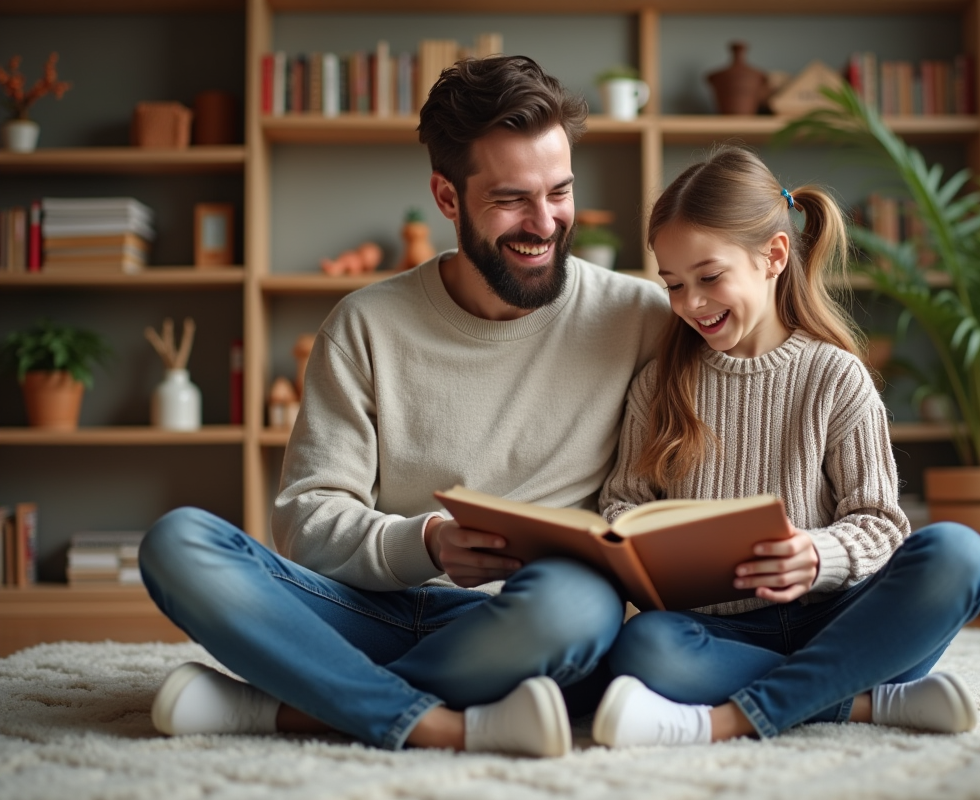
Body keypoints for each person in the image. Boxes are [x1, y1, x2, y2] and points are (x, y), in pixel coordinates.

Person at [137, 55, 669, 758]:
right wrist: (426, 542)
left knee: (577, 609)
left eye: (560, 192)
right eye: (512, 199)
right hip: (372, 608)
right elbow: (305, 522)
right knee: (178, 543)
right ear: (447, 199)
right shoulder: (365, 324)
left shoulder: (639, 315)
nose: (545, 223)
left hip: (532, 616)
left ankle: (294, 707)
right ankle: (443, 720)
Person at [588, 146, 980, 749]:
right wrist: (644, 542)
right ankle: (864, 702)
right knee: (644, 648)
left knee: (959, 554)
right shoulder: (660, 384)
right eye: (672, 284)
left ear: (774, 256)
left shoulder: (836, 378)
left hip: (834, 617)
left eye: (708, 277)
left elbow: (880, 524)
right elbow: (621, 503)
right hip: (717, 632)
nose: (689, 303)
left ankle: (724, 718)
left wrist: (817, 553)